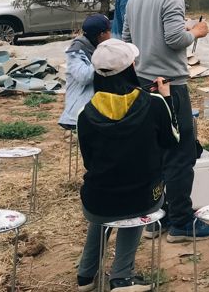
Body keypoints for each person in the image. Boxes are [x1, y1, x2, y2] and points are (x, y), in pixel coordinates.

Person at [122, 0, 209, 243]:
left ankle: (155, 217)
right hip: (170, 87)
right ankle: (182, 222)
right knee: (181, 153)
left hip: (144, 84)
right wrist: (196, 31)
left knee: (156, 153)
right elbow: (175, 39)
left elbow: (127, 40)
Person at [75, 38, 179, 292]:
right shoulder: (154, 103)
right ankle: (122, 277)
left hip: (96, 200)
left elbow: (89, 161)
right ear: (131, 68)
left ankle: (86, 275)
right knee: (134, 202)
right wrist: (167, 99)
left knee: (106, 200)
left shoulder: (84, 114)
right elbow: (172, 140)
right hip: (142, 196)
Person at [59, 14, 112, 130]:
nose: (111, 35)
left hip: (98, 109)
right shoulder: (75, 51)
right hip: (80, 112)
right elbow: (84, 76)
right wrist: (105, 60)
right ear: (102, 34)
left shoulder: (98, 47)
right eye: (109, 31)